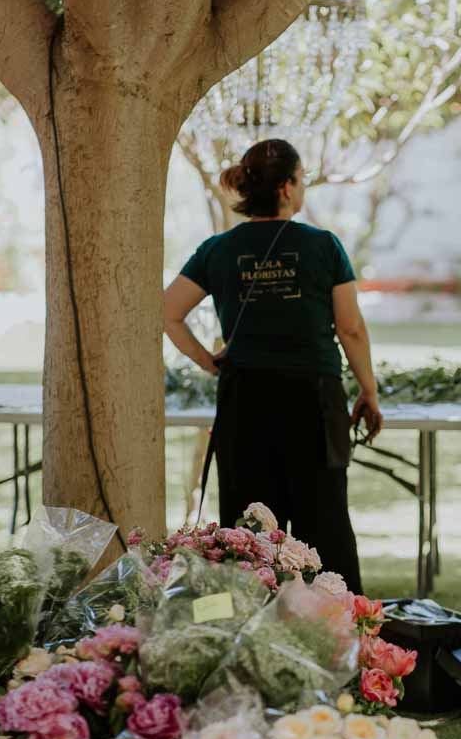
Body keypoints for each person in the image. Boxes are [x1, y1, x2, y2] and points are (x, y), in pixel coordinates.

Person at [162, 138, 381, 594]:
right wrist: (368, 390)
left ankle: (251, 636)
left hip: (245, 400)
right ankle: (341, 634)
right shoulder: (323, 246)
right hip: (312, 401)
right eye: (300, 180)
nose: (302, 189)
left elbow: (168, 311)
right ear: (285, 188)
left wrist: (208, 361)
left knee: (250, 530)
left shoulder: (217, 249)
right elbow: (352, 328)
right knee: (325, 524)